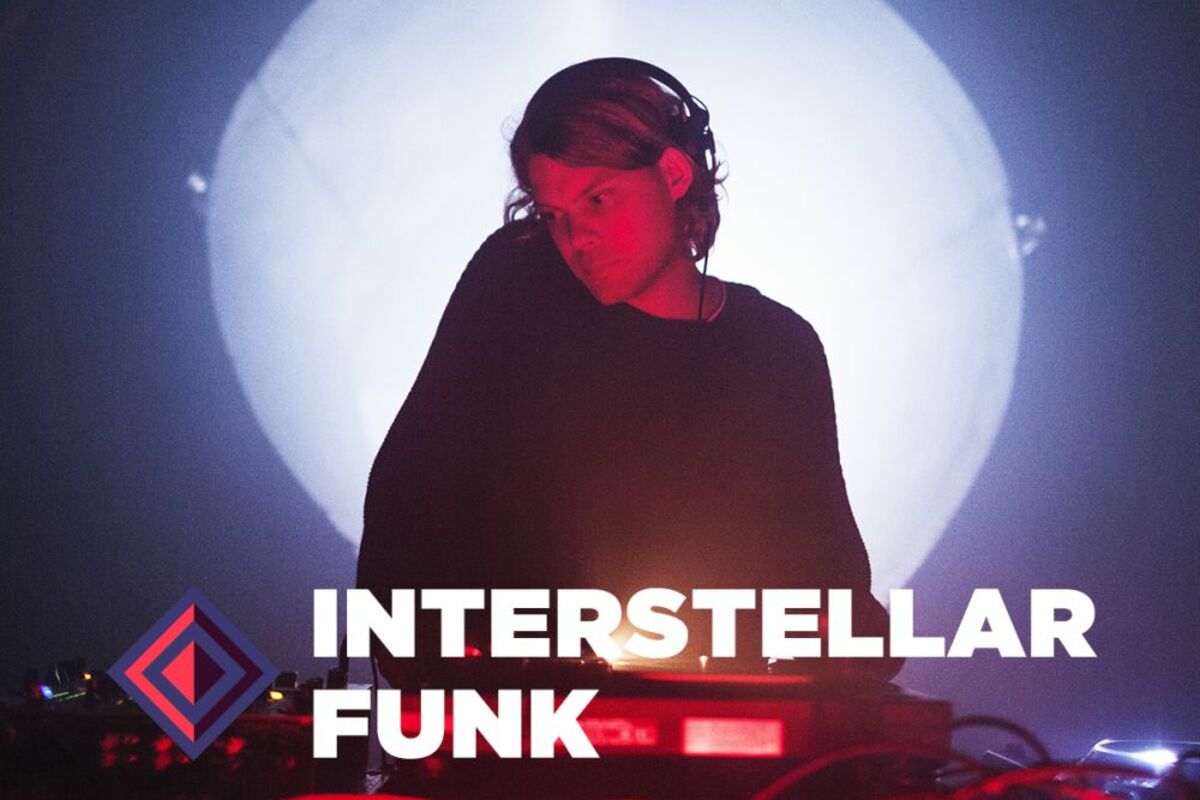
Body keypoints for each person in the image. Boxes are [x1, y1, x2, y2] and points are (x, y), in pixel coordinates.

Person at [356, 58, 898, 683]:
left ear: (673, 173)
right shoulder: (517, 281)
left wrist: (847, 644)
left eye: (598, 198)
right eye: (554, 214)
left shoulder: (778, 348)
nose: (577, 237)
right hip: (520, 719)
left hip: (715, 726)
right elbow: (407, 518)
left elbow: (832, 588)